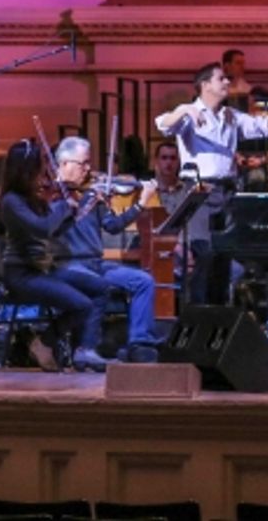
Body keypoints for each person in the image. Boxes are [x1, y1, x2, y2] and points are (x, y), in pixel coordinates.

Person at [155, 62, 268, 304]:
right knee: (202, 252)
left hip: (227, 190)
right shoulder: (189, 114)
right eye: (221, 78)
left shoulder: (230, 116)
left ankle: (219, 311)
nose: (227, 82)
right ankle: (197, 312)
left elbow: (261, 127)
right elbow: (163, 124)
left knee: (224, 254)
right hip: (200, 191)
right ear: (205, 85)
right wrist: (184, 109)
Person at [0, 139, 104, 372]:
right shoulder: (12, 201)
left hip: (40, 270)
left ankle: (85, 349)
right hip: (22, 275)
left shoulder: (32, 198)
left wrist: (77, 213)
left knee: (100, 288)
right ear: (24, 170)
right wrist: (63, 206)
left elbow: (52, 232)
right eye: (38, 168)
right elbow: (41, 228)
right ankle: (44, 342)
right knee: (82, 305)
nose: (43, 174)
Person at [53, 136, 160, 364]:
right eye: (83, 163)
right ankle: (86, 348)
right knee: (97, 286)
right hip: (68, 264)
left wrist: (140, 203)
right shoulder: (51, 196)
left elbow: (113, 227)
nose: (89, 169)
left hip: (96, 263)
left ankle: (140, 344)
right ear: (64, 164)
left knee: (144, 281)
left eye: (89, 163)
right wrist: (74, 203)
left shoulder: (93, 194)